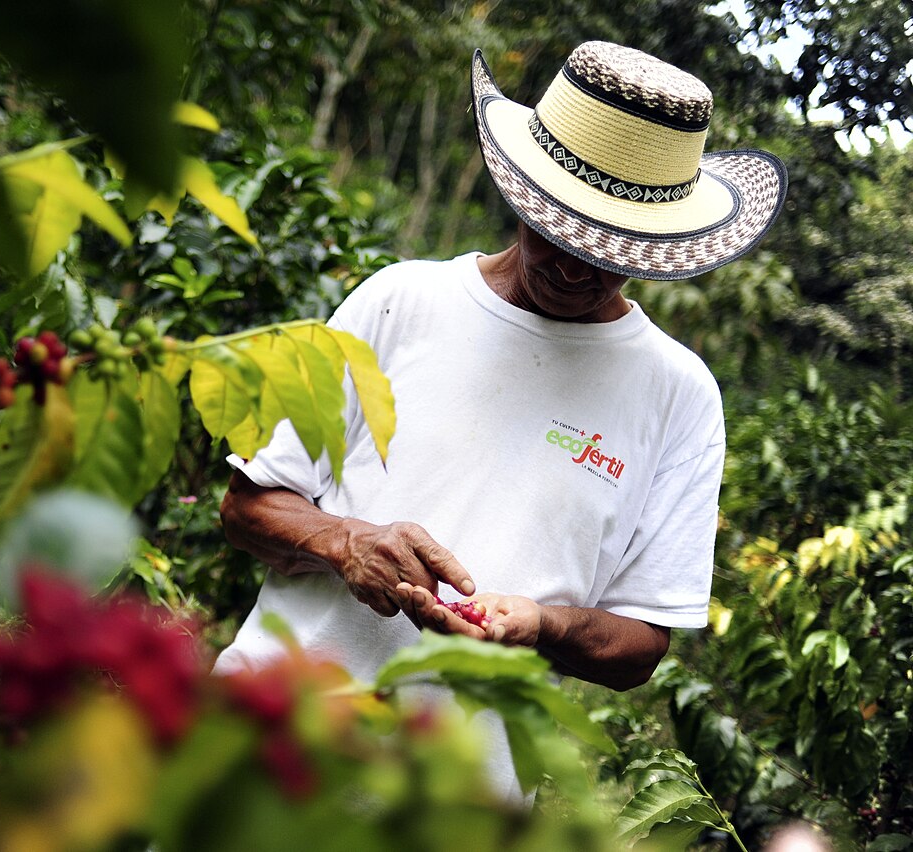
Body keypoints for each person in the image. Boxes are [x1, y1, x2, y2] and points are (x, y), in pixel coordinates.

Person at [212, 41, 787, 802]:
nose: (576, 269)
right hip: (262, 758)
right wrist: (349, 542)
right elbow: (248, 506)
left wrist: (541, 626)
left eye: (611, 252)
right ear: (521, 195)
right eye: (558, 232)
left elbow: (640, 644)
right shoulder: (401, 304)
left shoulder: (678, 395)